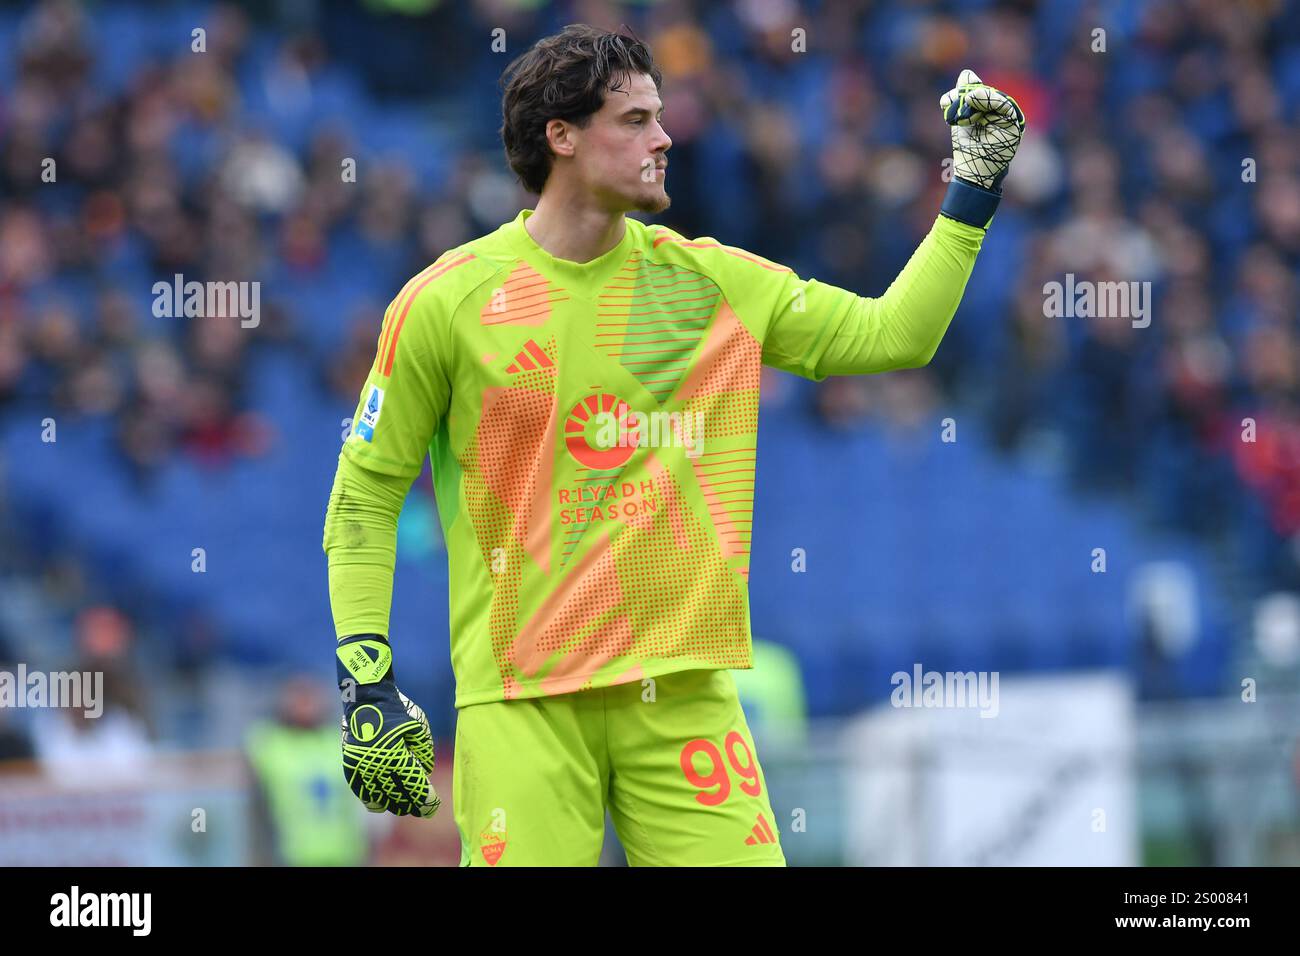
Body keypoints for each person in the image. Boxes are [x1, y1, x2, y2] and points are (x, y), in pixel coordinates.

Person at [321, 24, 1024, 866]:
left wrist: (973, 188)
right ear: (563, 136)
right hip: (522, 702)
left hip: (685, 693)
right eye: (635, 120)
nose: (664, 138)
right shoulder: (446, 303)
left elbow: (892, 336)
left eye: (661, 118)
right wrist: (368, 676)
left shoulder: (712, 281)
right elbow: (366, 494)